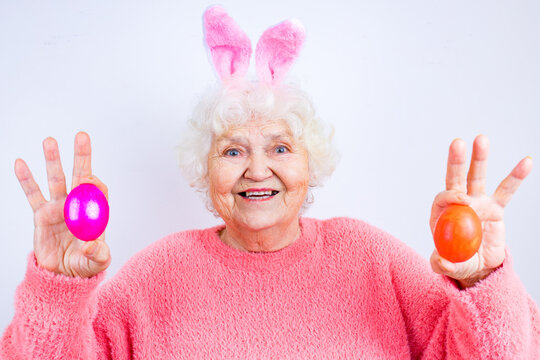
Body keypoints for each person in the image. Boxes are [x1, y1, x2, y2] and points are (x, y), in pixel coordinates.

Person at [2, 6, 539, 359]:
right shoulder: (152, 278)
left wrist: (483, 284)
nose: (257, 170)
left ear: (311, 163)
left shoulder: (371, 258)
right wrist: (56, 292)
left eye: (280, 148)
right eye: (232, 150)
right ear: (205, 169)